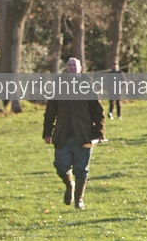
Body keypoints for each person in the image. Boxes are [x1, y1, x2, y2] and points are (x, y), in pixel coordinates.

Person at [42, 57, 105, 209]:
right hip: (62, 134)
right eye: (69, 65)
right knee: (60, 165)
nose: (72, 68)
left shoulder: (88, 84)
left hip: (84, 135)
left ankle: (79, 200)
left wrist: (99, 132)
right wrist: (47, 132)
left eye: (74, 65)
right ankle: (70, 184)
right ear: (66, 68)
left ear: (80, 68)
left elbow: (98, 111)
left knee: (81, 170)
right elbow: (50, 111)